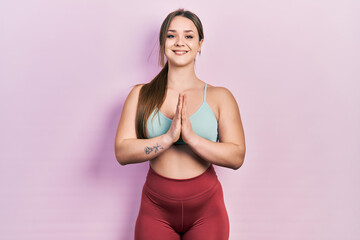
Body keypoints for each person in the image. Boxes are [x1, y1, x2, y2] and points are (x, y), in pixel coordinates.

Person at [114, 8, 246, 240]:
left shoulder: (220, 97)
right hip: (156, 208)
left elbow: (236, 157)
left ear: (200, 44)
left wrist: (192, 138)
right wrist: (167, 138)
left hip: (207, 210)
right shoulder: (140, 94)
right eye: (171, 35)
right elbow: (122, 152)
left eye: (188, 36)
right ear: (163, 41)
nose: (179, 42)